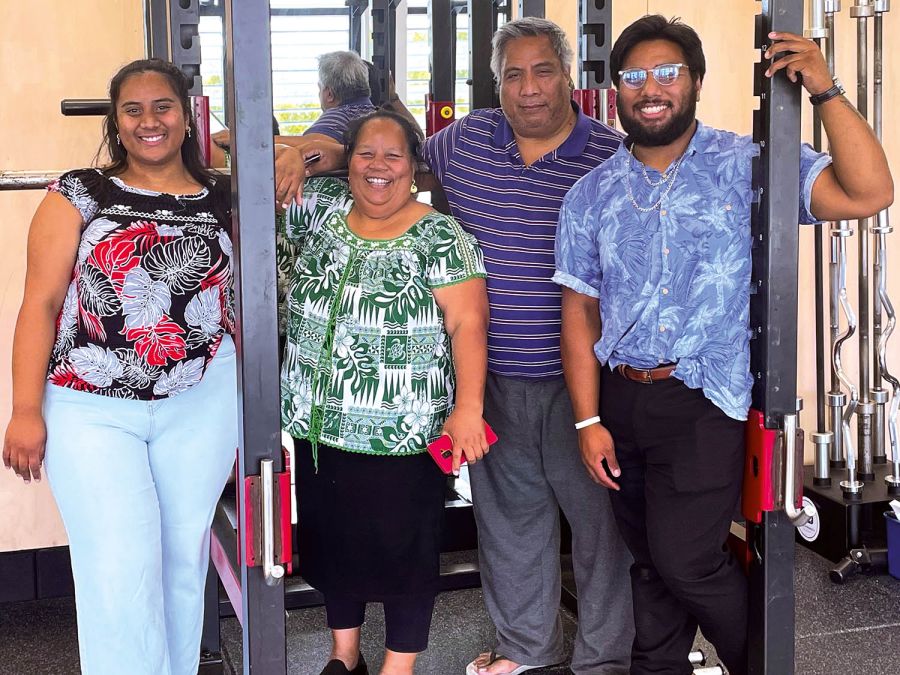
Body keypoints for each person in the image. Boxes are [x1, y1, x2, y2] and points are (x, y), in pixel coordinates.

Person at [554, 15, 893, 675]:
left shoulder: (748, 164)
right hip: (621, 399)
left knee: (684, 556)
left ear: (696, 82)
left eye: (667, 72)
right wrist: (589, 418)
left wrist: (825, 91)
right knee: (650, 561)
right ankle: (660, 666)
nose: (650, 88)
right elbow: (579, 311)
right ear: (615, 90)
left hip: (704, 396)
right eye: (634, 76)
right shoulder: (589, 194)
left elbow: (868, 191)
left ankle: (757, 663)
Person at [2, 59, 238, 675]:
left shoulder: (223, 194)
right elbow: (42, 303)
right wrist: (24, 410)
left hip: (200, 401)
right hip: (89, 407)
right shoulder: (81, 192)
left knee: (182, 561)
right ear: (115, 121)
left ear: (187, 115)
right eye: (132, 110)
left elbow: (297, 154)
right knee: (118, 564)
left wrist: (280, 152)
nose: (149, 121)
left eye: (163, 106)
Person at [422, 17, 634, 675]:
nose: (529, 88)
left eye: (542, 70)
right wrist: (302, 148)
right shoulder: (464, 141)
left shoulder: (611, 154)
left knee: (602, 530)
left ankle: (603, 659)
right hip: (492, 380)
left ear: (568, 76)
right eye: (513, 74)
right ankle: (527, 650)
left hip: (587, 385)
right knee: (512, 526)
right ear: (496, 83)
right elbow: (383, 148)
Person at [277, 110, 489, 675]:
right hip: (321, 424)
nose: (378, 166)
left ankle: (399, 666)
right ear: (349, 164)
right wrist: (305, 152)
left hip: (405, 432)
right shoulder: (319, 210)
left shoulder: (440, 235)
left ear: (414, 167)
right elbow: (237, 144)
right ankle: (344, 656)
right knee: (333, 546)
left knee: (405, 557)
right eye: (365, 153)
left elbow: (469, 323)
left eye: (393, 155)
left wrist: (467, 409)